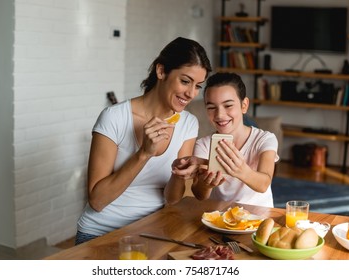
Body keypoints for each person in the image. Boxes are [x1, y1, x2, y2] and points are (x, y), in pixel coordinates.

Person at [75, 37, 212, 245]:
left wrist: (178, 173)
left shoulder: (188, 123)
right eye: (185, 81)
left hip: (152, 231)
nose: (191, 94)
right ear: (161, 71)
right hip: (101, 234)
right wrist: (144, 154)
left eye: (198, 86)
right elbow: (97, 200)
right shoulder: (114, 117)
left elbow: (173, 199)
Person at [174, 72, 279, 207]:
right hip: (219, 219)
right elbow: (199, 195)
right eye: (211, 107)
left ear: (244, 105)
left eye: (228, 105)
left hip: (258, 218)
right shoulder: (204, 144)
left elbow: (264, 184)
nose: (219, 114)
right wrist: (206, 185)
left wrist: (240, 169)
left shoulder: (264, 139)